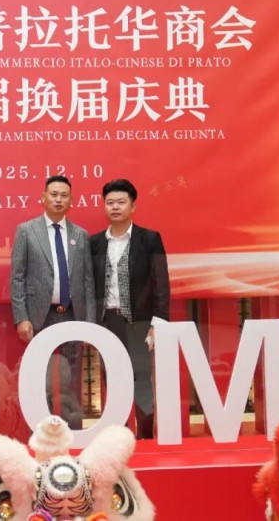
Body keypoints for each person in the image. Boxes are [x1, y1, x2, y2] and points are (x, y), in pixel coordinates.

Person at [10, 175, 96, 429]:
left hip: (72, 314)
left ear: (71, 200)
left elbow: (88, 282)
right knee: (41, 376)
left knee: (72, 377)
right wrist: (21, 317)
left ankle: (73, 431)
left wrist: (90, 323)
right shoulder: (26, 231)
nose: (58, 200)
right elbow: (17, 277)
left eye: (64, 195)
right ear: (43, 198)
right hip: (40, 316)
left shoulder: (80, 235)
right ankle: (42, 431)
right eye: (54, 194)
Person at [90, 179, 170, 439]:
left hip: (140, 322)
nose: (115, 207)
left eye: (121, 202)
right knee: (112, 380)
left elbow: (160, 282)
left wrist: (158, 324)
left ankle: (145, 437)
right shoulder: (95, 243)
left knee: (141, 380)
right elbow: (89, 286)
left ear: (133, 206)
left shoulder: (149, 239)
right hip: (107, 322)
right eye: (110, 202)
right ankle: (119, 437)